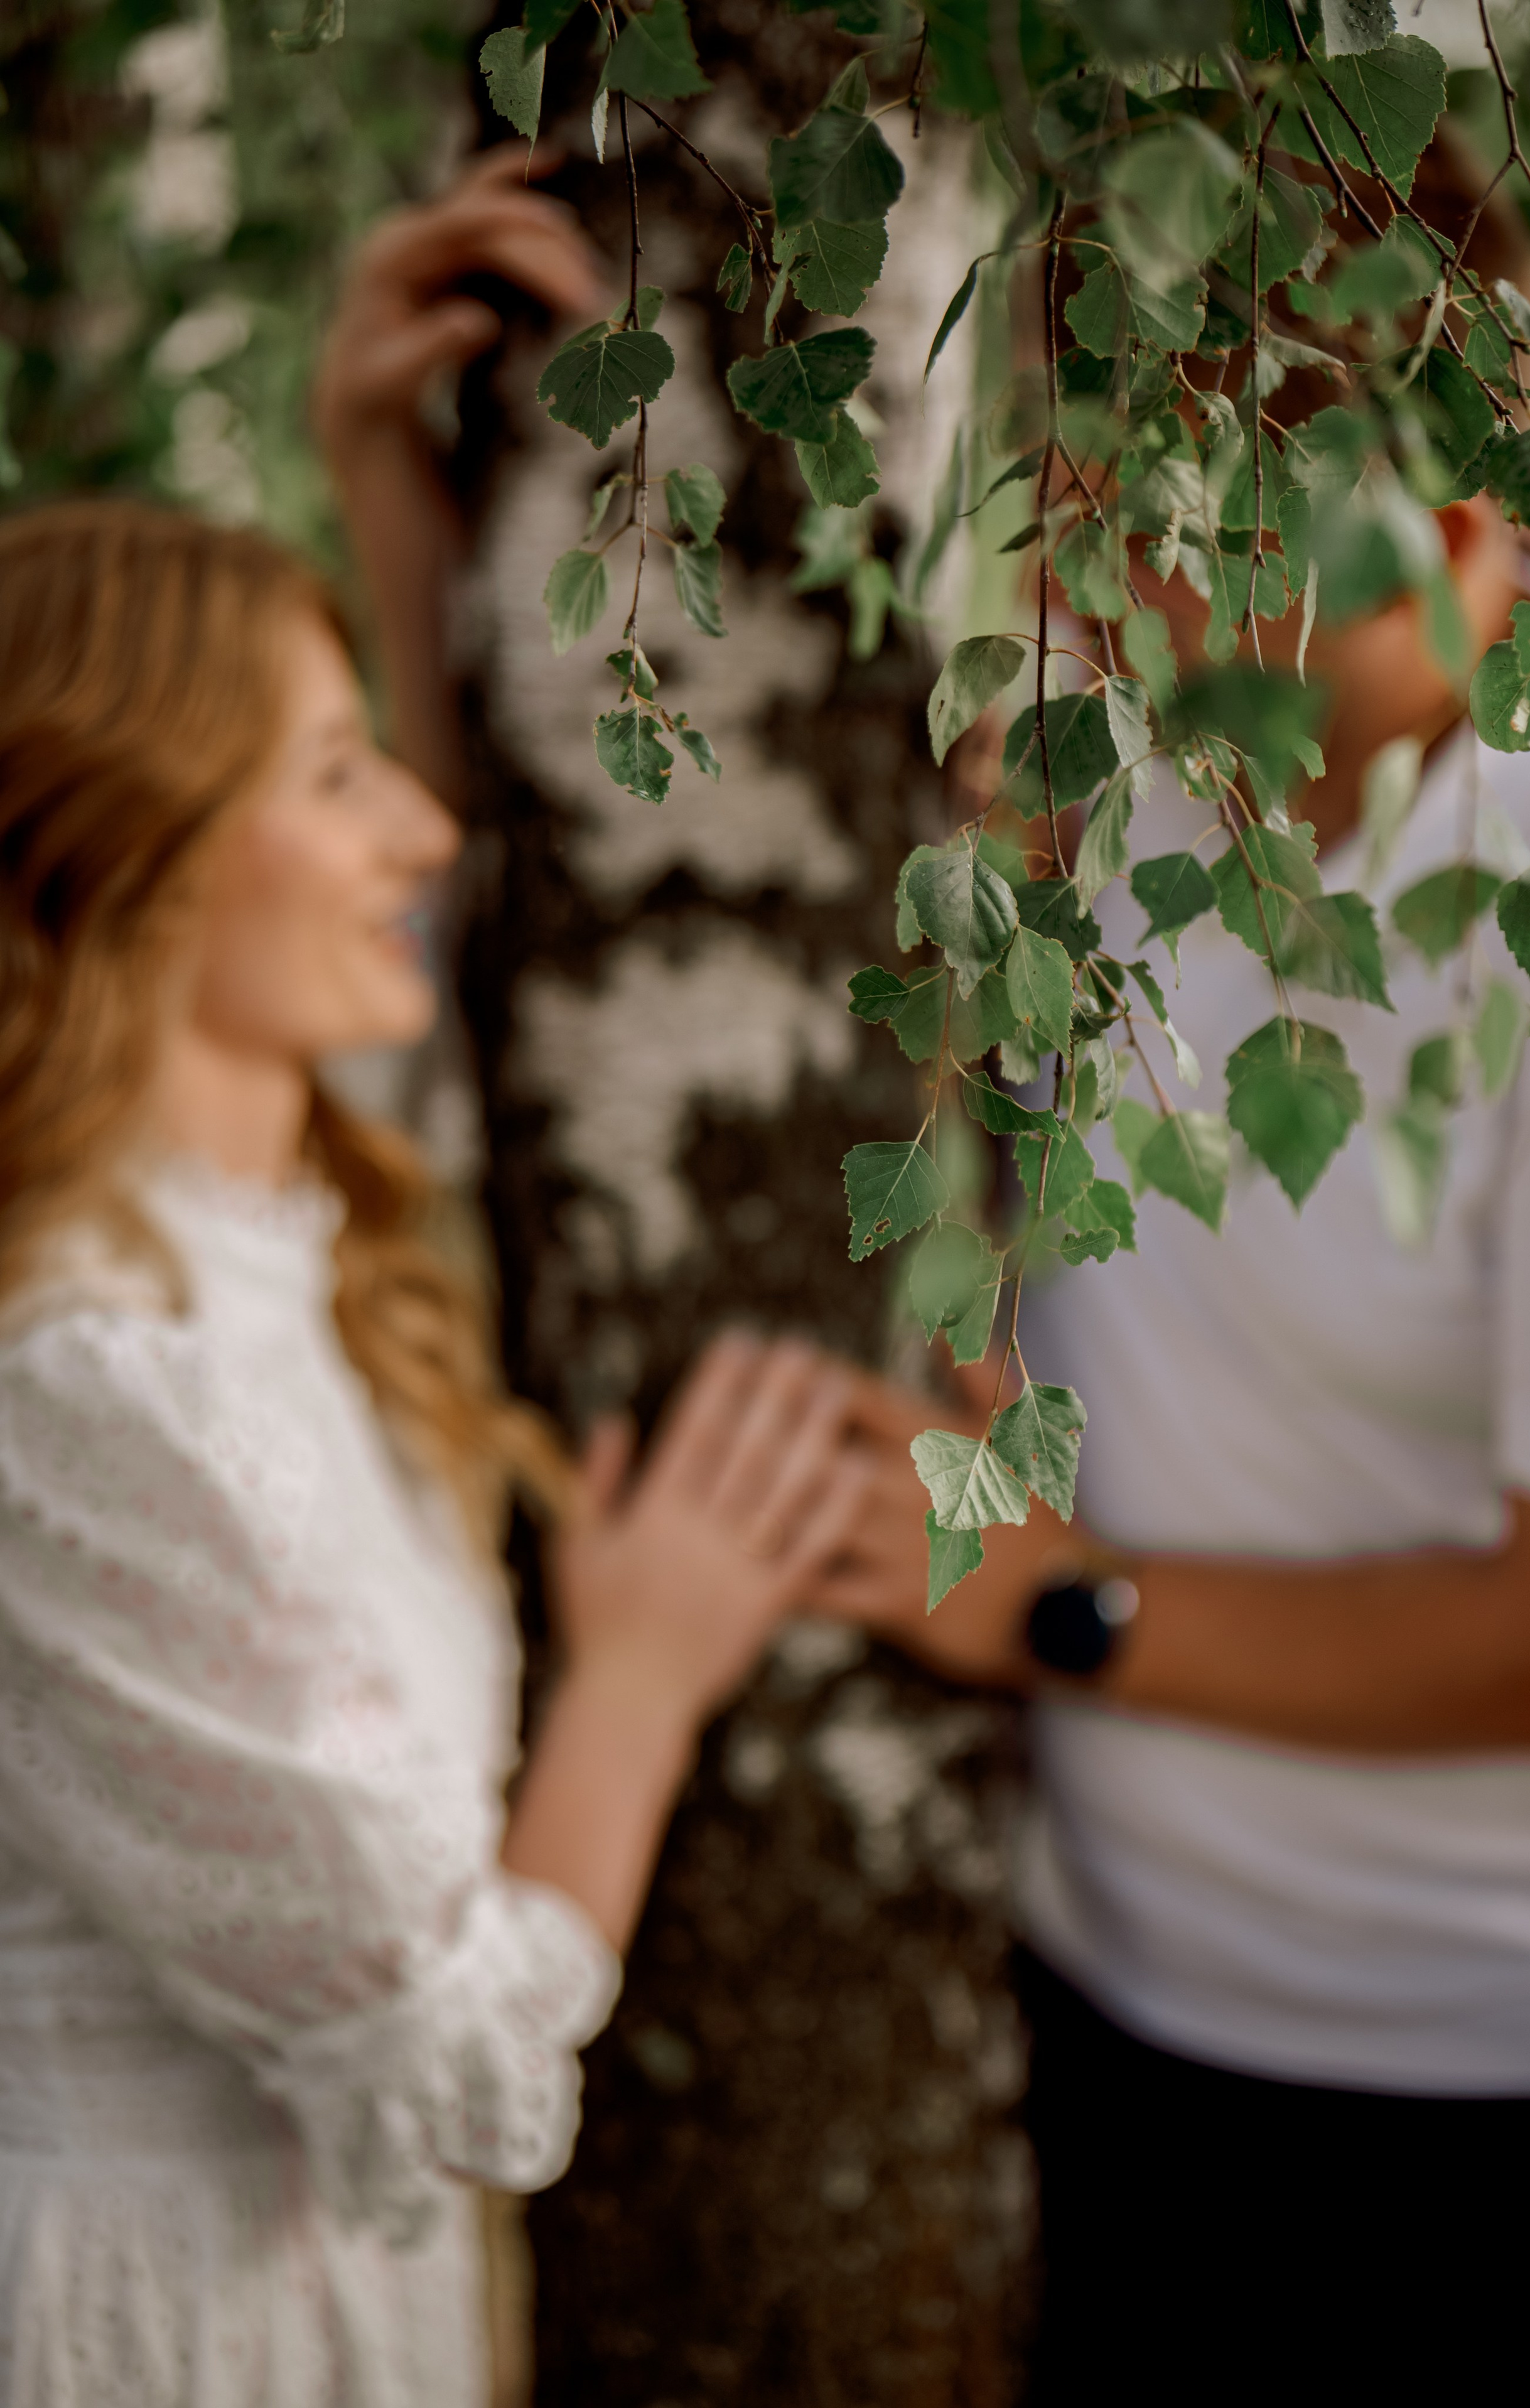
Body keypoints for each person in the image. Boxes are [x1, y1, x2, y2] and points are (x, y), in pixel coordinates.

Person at [0, 491, 869, 2408]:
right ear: (125, 849)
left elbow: (456, 937)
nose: (422, 824)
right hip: (151, 2333)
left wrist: (391, 472)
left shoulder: (251, 1213)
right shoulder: (83, 1383)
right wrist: (639, 1680)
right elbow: (456, 2065)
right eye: (334, 770)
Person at [817, 382, 1530, 2385]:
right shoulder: (1136, 793)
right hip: (1089, 2009)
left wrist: (1059, 1608)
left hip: (1470, 2111)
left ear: (1453, 539)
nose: (1107, 580)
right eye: (1082, 499)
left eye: (1192, 525)